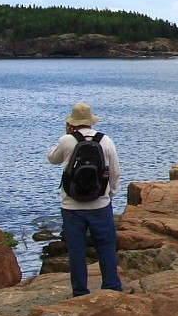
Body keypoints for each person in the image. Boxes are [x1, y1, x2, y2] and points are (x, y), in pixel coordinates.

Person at [47, 102, 122, 296]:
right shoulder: (106, 140)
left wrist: (66, 135)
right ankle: (111, 287)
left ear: (72, 122)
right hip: (100, 204)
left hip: (71, 206)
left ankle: (80, 291)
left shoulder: (66, 140)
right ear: (90, 121)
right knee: (106, 246)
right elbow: (114, 173)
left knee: (76, 250)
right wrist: (109, 195)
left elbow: (52, 158)